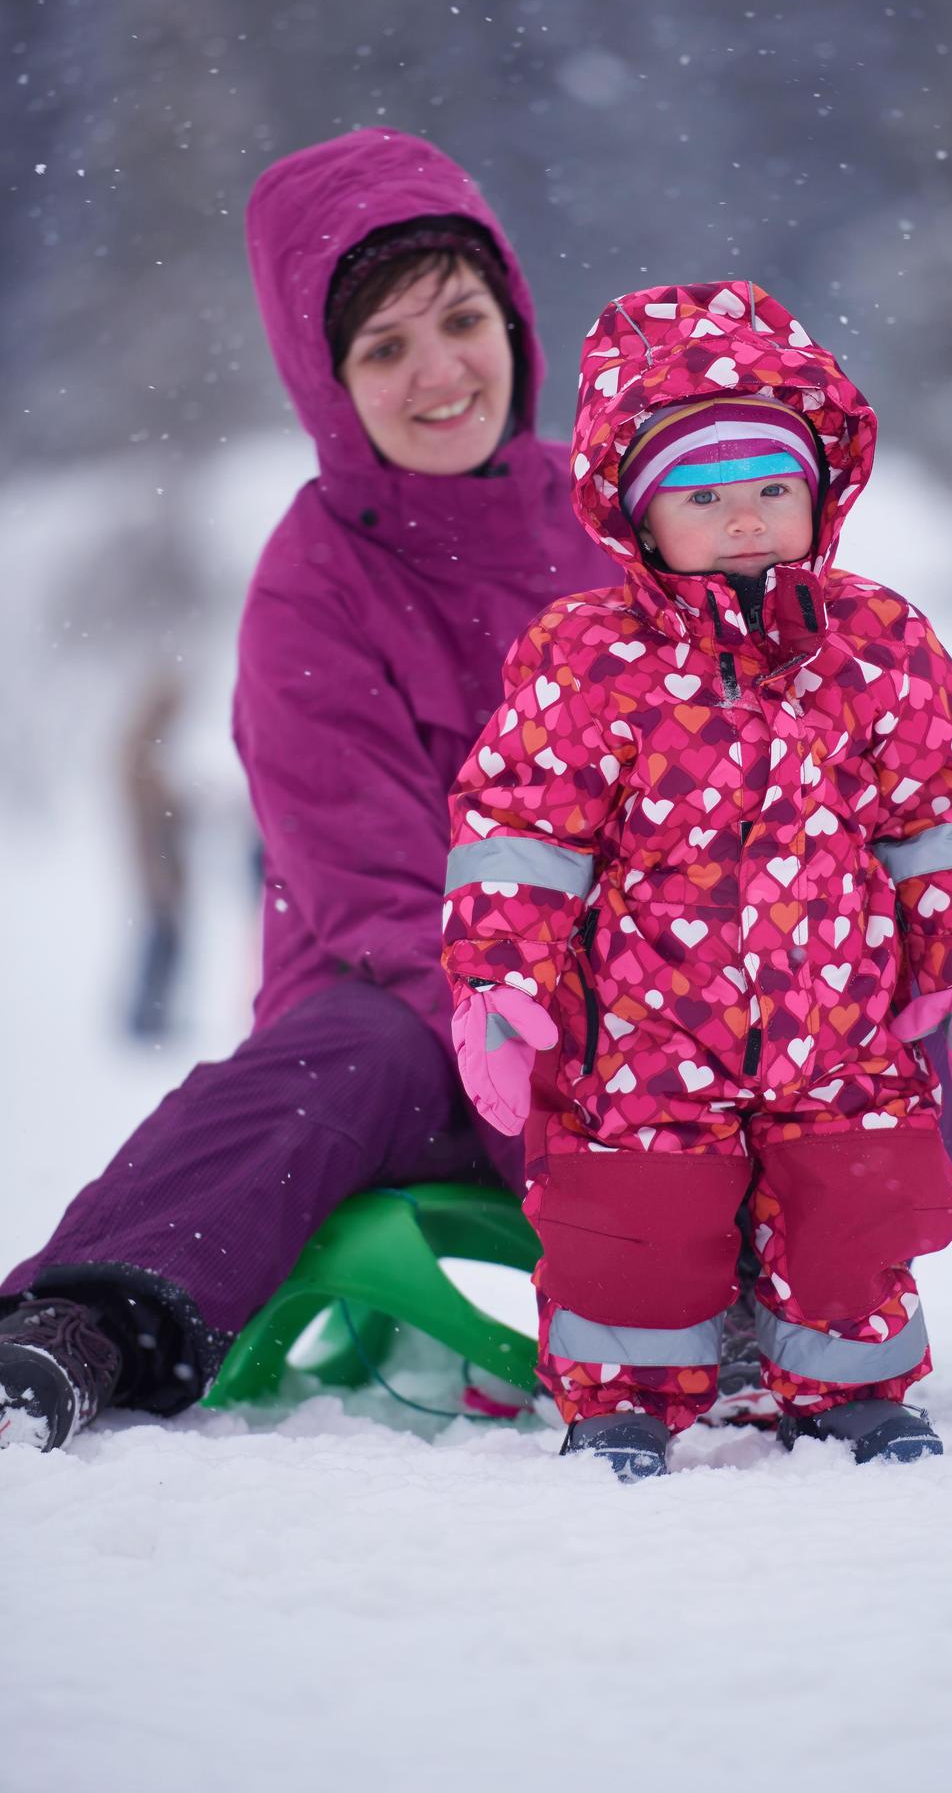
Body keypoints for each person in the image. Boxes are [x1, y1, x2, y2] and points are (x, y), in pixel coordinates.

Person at [0, 127, 612, 1452]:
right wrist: (551, 1048)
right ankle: (85, 1327)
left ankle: (805, 1307)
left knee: (849, 1003)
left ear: (512, 316)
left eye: (459, 320)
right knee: (339, 1053)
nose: (439, 372)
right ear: (329, 383)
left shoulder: (612, 528)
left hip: (638, 999)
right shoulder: (314, 580)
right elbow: (381, 898)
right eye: (384, 349)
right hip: (416, 1016)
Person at [441, 279, 952, 1479]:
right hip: (651, 1022)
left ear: (821, 492)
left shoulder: (878, 643)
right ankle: (623, 1395)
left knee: (856, 1200)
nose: (749, 519)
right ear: (639, 516)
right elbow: (520, 831)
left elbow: (950, 810)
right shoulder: (589, 654)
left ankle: (851, 1386)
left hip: (843, 1018)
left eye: (774, 487)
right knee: (634, 1210)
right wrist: (502, 979)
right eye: (705, 497)